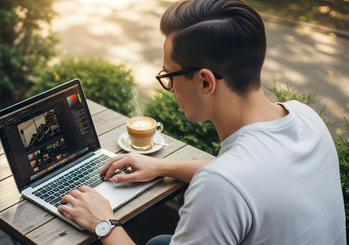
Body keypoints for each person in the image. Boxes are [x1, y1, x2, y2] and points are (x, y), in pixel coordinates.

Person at [57, 0, 346, 244]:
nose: (168, 88)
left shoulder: (219, 186)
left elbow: (225, 181)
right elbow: (246, 174)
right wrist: (160, 166)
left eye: (169, 76)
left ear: (205, 81)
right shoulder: (306, 117)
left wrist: (103, 222)